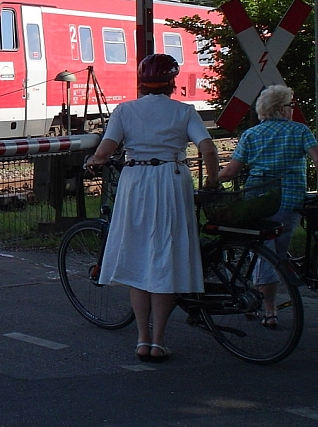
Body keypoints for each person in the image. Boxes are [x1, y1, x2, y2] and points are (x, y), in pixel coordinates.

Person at [84, 53, 220, 363]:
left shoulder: (125, 110)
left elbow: (105, 151)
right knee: (164, 256)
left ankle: (142, 340)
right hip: (172, 182)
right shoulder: (185, 112)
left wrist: (93, 161)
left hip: (136, 183)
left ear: (142, 82)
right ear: (172, 83)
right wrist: (212, 182)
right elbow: (208, 149)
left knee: (138, 256)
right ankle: (159, 341)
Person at [217, 84, 318, 327]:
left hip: (257, 203)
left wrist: (212, 181)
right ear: (280, 109)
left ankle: (268, 309)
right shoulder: (300, 131)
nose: (293, 109)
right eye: (291, 105)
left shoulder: (251, 135)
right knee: (274, 254)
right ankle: (266, 305)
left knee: (263, 253)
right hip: (290, 202)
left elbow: (231, 171)